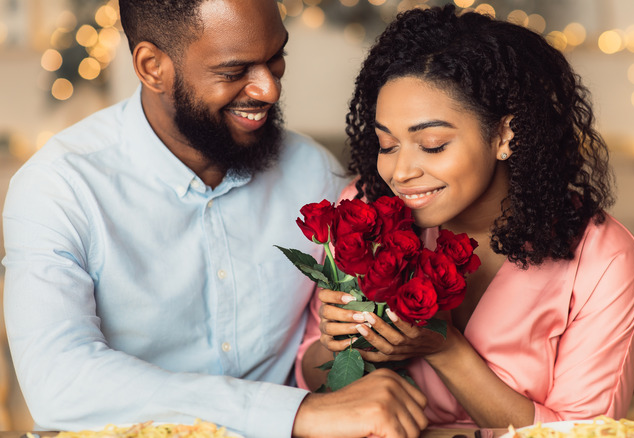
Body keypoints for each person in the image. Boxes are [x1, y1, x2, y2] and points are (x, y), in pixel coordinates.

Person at [2, 1, 428, 437]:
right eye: (234, 71)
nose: (268, 90)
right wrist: (294, 413)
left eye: (276, 58)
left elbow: (320, 350)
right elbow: (60, 382)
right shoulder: (60, 188)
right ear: (152, 67)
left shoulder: (315, 175)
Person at [296, 5, 634, 429]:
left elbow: (586, 432)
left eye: (432, 144)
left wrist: (444, 347)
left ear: (504, 135)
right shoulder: (366, 212)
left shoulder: (602, 257)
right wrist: (333, 345)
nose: (400, 173)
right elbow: (309, 379)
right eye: (387, 145)